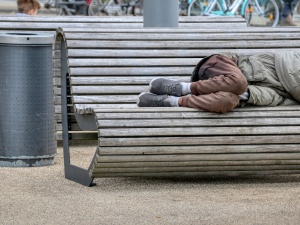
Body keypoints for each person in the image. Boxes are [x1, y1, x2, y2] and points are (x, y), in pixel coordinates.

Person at [137, 52, 300, 113]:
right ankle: (183, 88)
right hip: (221, 66)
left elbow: (271, 97)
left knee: (228, 101)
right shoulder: (292, 60)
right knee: (239, 82)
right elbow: (290, 69)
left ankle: (172, 101)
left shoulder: (290, 97)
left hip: (233, 92)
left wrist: (247, 96)